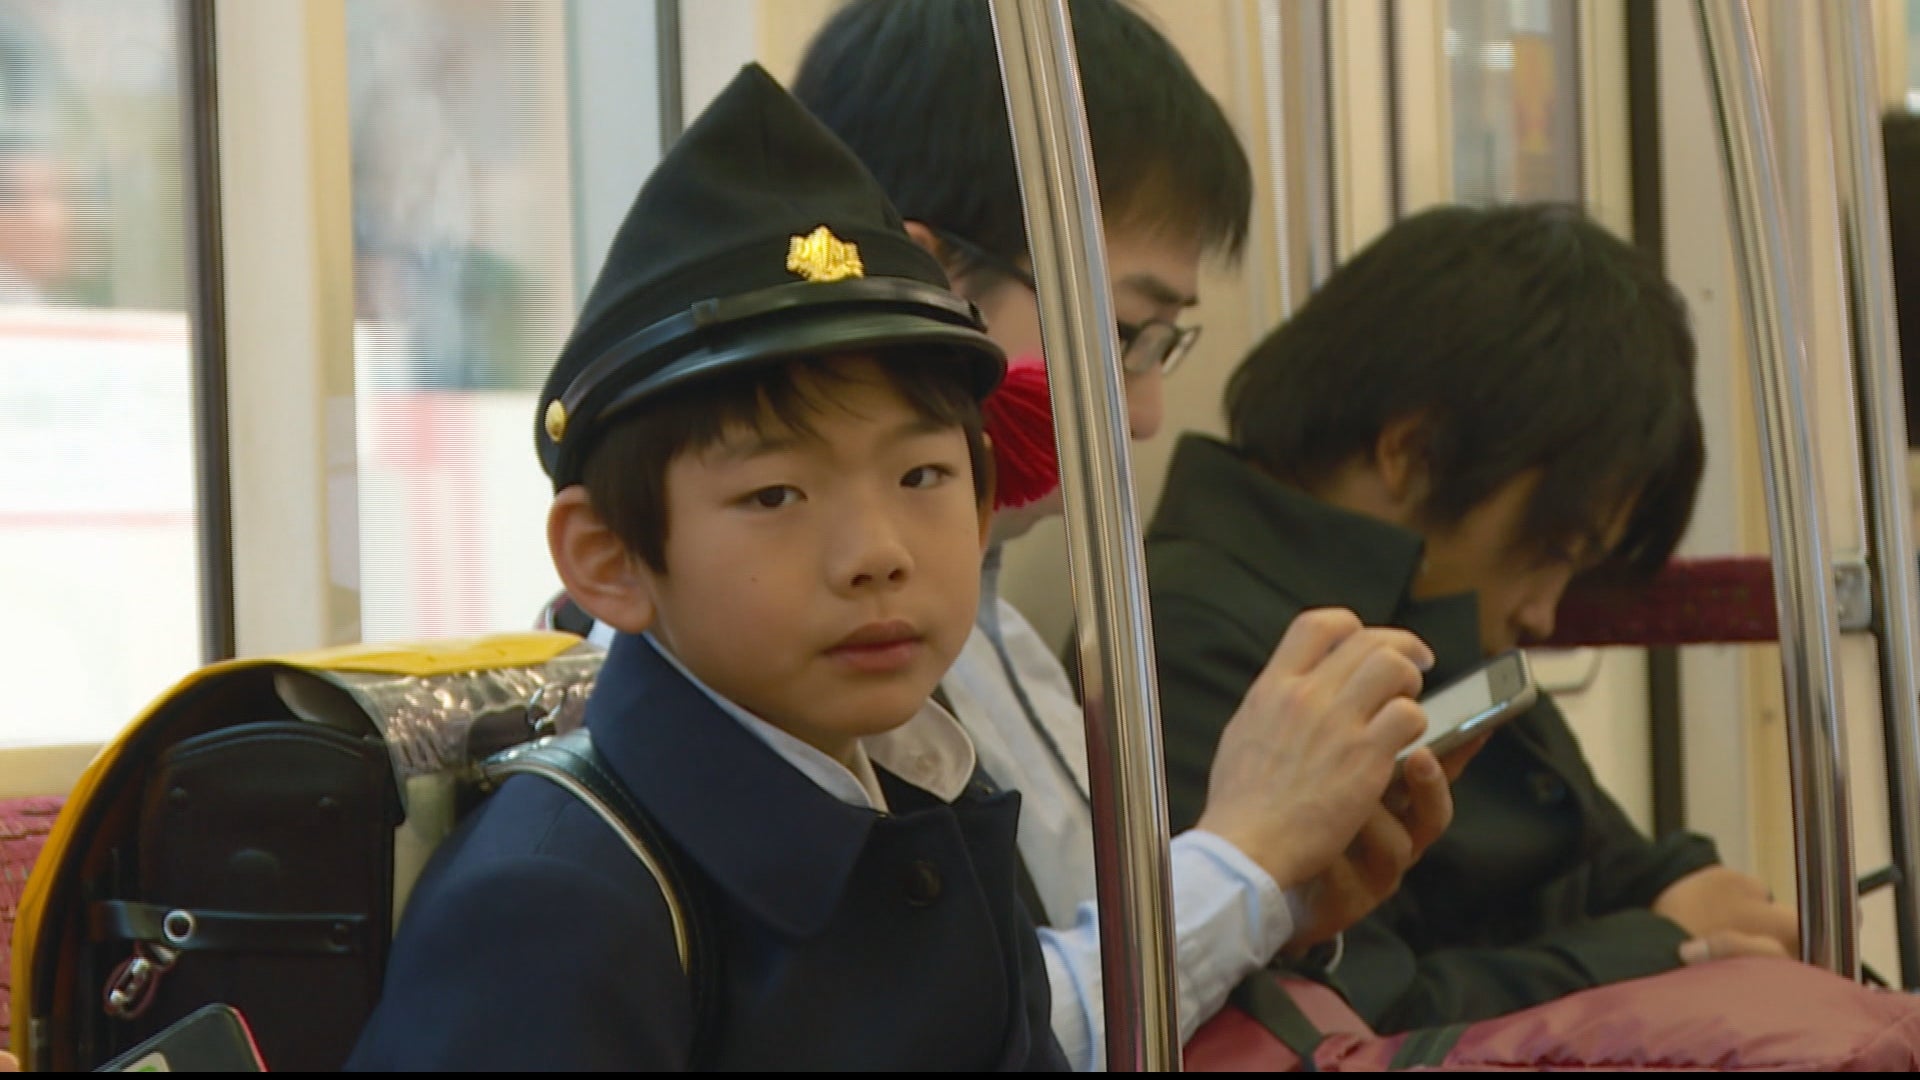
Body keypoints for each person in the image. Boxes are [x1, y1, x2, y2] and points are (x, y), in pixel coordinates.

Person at [349, 64, 1085, 1069]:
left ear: (987, 493)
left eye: (922, 474)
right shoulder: (557, 907)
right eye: (776, 496)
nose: (877, 554)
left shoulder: (937, 813)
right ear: (611, 561)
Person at [792, 0, 1458, 1067]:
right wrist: (1242, 859)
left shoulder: (995, 632)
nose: (1143, 412)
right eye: (1119, 333)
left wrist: (1283, 898)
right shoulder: (801, 657)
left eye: (1159, 344)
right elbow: (965, 1042)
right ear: (932, 279)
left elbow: (1068, 968)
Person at [1146, 202, 1803, 1034]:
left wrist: (1678, 889)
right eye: (1549, 549)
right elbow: (1362, 1012)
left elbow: (1596, 860)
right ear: (1414, 455)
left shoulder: (1416, 602)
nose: (1544, 611)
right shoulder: (1196, 639)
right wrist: (1664, 940)